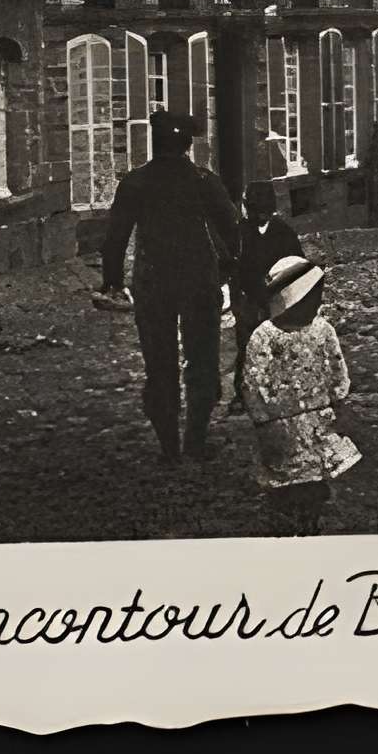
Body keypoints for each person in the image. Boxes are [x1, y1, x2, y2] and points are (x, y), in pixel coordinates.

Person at [95, 110, 243, 462]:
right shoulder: (203, 180)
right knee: (202, 359)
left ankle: (168, 447)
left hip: (153, 282)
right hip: (198, 280)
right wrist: (228, 268)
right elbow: (231, 227)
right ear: (187, 144)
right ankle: (196, 440)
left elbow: (114, 239)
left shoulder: (135, 183)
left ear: (155, 142)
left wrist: (113, 281)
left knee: (158, 363)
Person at [238, 255, 359, 534]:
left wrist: (336, 400)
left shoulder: (321, 330)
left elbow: (336, 368)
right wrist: (262, 417)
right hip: (282, 426)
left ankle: (307, 522)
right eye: (312, 297)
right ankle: (294, 524)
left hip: (311, 423)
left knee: (311, 482)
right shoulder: (265, 337)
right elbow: (253, 383)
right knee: (290, 481)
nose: (317, 303)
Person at [232, 180, 306, 339]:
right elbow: (233, 269)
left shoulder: (284, 233)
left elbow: (299, 269)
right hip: (249, 303)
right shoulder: (240, 232)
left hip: (278, 304)